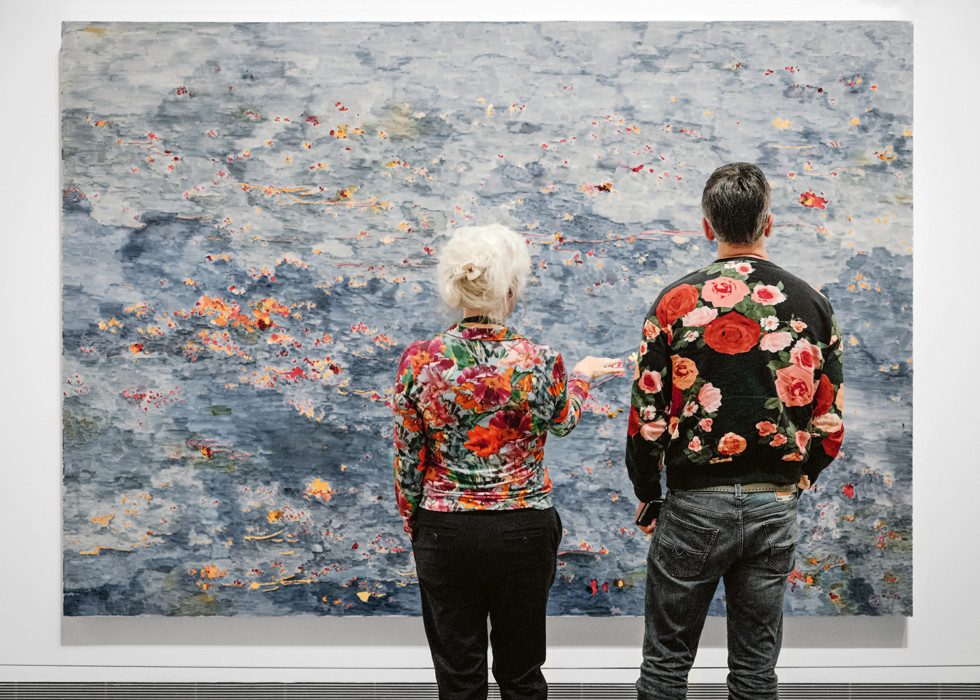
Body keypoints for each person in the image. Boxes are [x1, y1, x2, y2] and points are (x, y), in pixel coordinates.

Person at [626, 162, 844, 699]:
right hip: (774, 503)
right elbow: (829, 419)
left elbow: (647, 417)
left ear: (707, 226)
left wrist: (648, 494)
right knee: (754, 671)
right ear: (768, 223)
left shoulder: (675, 302)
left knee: (665, 668)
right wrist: (804, 473)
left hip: (694, 504)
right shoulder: (811, 304)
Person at [393, 224, 621, 700]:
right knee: (521, 675)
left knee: (459, 679)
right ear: (511, 288)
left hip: (445, 530)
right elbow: (563, 421)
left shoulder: (419, 360)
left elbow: (408, 460)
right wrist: (579, 378)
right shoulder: (540, 361)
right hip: (522, 529)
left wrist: (421, 524)